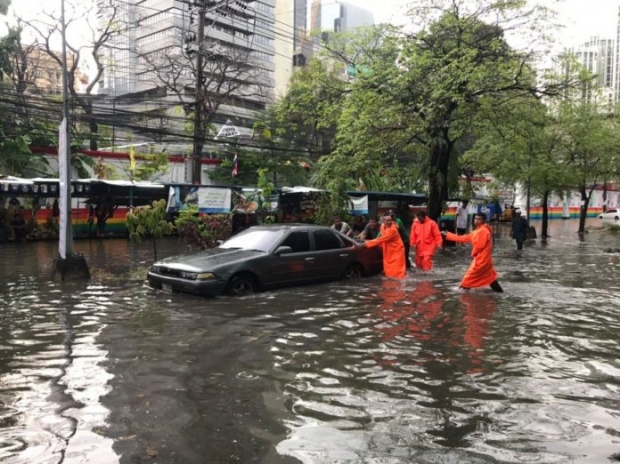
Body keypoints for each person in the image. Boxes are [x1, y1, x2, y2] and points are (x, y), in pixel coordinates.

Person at [441, 213, 503, 292]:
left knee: (468, 278)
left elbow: (479, 246)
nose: (476, 221)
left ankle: (462, 290)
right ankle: (500, 293)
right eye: (475, 219)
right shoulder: (477, 231)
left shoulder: (483, 231)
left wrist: (473, 251)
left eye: (479, 219)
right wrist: (448, 235)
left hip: (482, 260)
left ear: (484, 220)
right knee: (490, 278)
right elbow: (463, 238)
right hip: (483, 259)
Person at [363, 213, 406, 279]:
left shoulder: (393, 230)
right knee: (389, 272)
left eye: (390, 220)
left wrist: (368, 243)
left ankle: (399, 287)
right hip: (389, 251)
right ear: (383, 221)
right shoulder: (382, 226)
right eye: (387, 220)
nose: (389, 222)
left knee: (398, 273)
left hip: (397, 251)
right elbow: (380, 237)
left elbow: (382, 239)